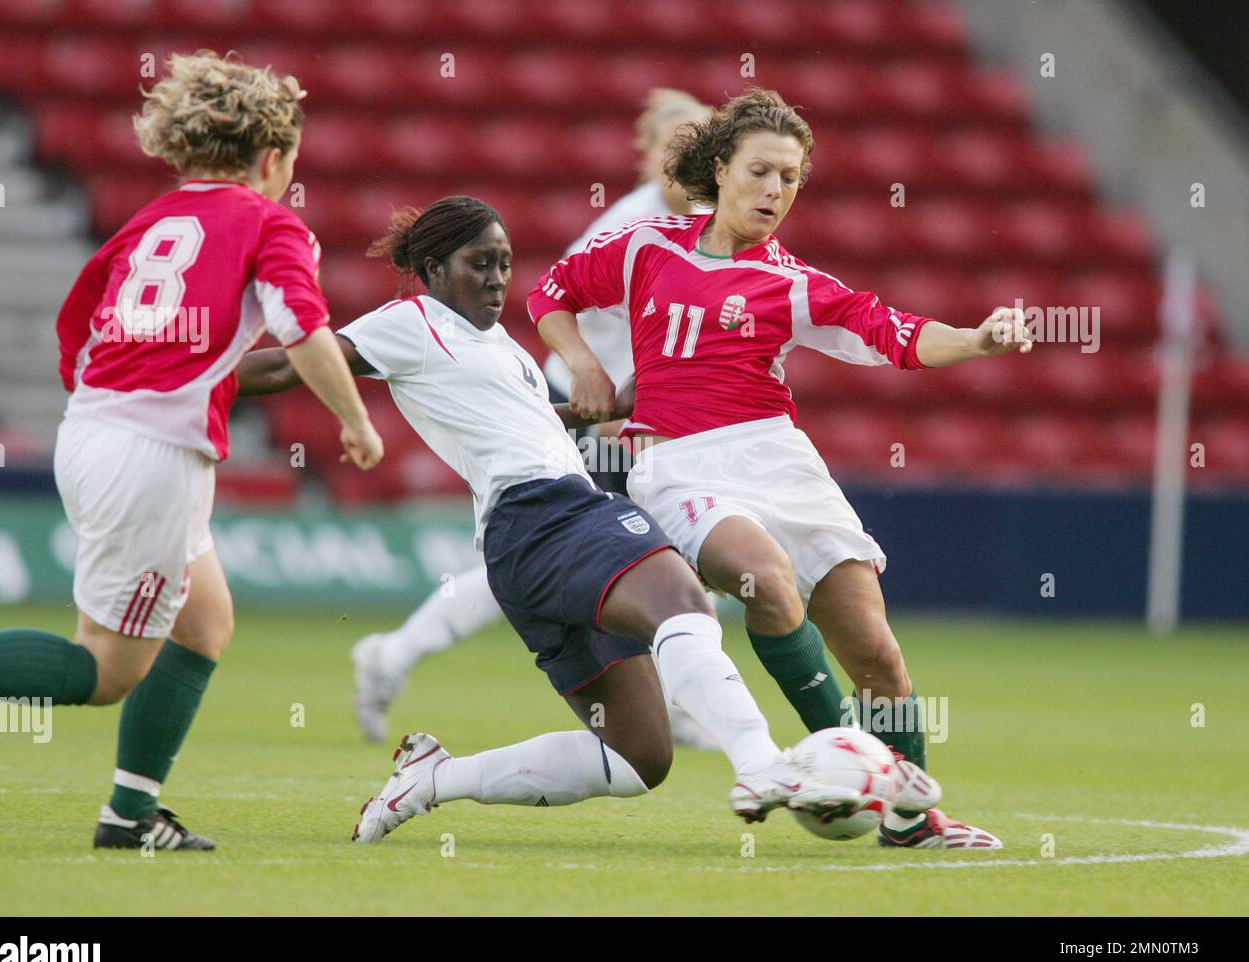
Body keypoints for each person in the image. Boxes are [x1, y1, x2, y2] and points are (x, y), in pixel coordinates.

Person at [236, 196, 917, 841]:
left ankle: (435, 777)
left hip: (522, 544)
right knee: (682, 600)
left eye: (504, 261)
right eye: (479, 262)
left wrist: (589, 412)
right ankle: (761, 763)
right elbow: (290, 360)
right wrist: (190, 370)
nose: (497, 276)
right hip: (547, 513)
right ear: (433, 270)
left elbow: (521, 423)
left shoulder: (502, 348)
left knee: (638, 757)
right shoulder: (411, 322)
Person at [530, 88, 1033, 850]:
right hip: (679, 463)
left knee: (876, 651)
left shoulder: (795, 285)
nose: (774, 191)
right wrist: (582, 365)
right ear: (720, 169)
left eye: (790, 178)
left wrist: (977, 340)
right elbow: (550, 293)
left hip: (779, 458)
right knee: (763, 577)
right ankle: (844, 764)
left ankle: (908, 818)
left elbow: (895, 333)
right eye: (760, 171)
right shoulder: (645, 247)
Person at [0, 52, 383, 851]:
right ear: (272, 157)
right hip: (155, 459)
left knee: (205, 622)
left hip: (92, 433)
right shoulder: (269, 220)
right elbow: (303, 328)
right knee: (106, 672)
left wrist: (135, 393)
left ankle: (129, 816)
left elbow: (74, 335)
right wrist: (355, 420)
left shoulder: (144, 223)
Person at [347, 89, 717, 749]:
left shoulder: (704, 228)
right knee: (655, 550)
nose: (688, 158)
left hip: (611, 416)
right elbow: (558, 299)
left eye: (700, 144)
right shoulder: (630, 228)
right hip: (576, 413)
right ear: (653, 155)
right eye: (675, 143)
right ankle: (686, 699)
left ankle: (392, 654)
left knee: (600, 562)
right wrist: (589, 384)